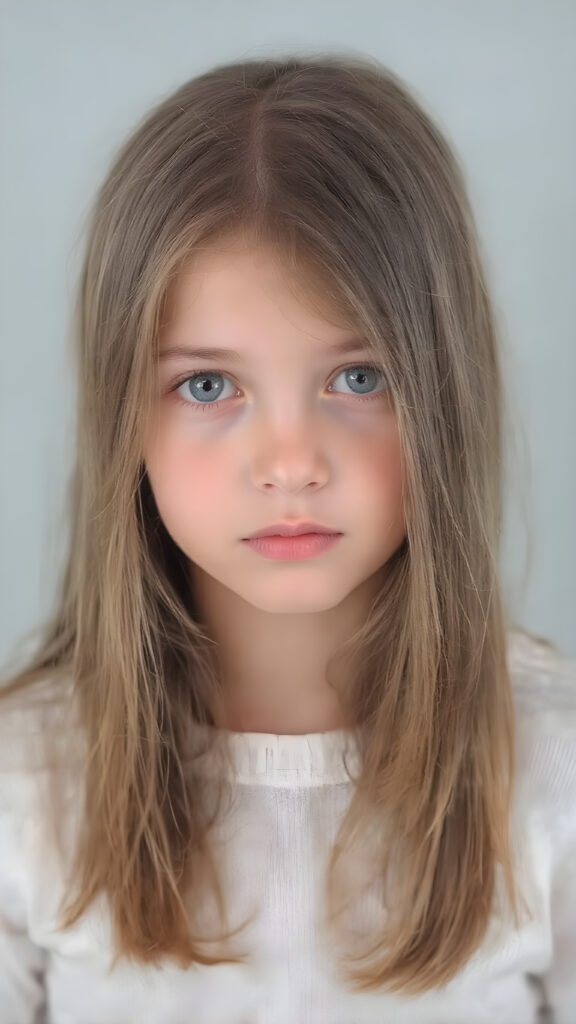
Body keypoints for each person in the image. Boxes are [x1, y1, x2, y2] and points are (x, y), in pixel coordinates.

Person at [0, 53, 574, 1024]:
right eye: (209, 386)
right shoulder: (28, 788)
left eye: (359, 378)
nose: (291, 461)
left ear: (443, 392)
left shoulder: (550, 772)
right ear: (126, 416)